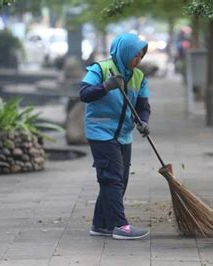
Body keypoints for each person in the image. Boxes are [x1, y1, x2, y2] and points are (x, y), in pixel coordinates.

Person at [79, 33, 151, 240]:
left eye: (141, 56)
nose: (138, 59)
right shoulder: (100, 69)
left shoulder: (138, 76)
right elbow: (84, 94)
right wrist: (106, 86)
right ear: (124, 52)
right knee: (112, 179)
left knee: (119, 179)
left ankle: (100, 225)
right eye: (135, 55)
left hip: (124, 134)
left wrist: (143, 121)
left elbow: (143, 106)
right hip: (101, 132)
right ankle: (120, 226)